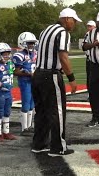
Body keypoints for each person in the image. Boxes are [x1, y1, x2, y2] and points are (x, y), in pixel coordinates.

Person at [31, 8, 81, 156]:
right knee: (57, 111)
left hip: (38, 74)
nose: (74, 24)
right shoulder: (62, 32)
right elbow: (63, 57)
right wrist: (71, 78)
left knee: (41, 112)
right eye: (73, 20)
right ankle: (58, 147)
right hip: (50, 75)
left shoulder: (46, 30)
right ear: (66, 19)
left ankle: (39, 144)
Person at [12, 32, 37, 136]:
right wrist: (27, 74)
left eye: (32, 43)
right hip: (25, 81)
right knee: (26, 104)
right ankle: (24, 128)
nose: (31, 45)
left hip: (33, 81)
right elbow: (15, 72)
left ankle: (29, 125)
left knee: (32, 104)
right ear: (22, 43)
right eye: (29, 43)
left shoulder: (34, 53)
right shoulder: (19, 55)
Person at [82, 20, 96, 99]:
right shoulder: (87, 34)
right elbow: (83, 46)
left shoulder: (98, 34)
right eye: (88, 26)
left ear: (94, 27)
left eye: (90, 26)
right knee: (89, 77)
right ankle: (90, 94)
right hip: (89, 58)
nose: (89, 28)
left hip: (97, 59)